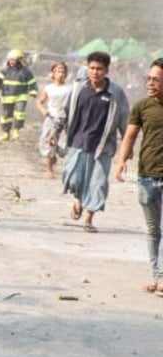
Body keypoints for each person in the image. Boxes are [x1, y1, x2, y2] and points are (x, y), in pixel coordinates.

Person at [51, 51, 129, 233]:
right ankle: (78, 199)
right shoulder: (78, 89)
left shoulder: (115, 94)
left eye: (99, 69)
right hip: (77, 141)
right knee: (74, 179)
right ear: (87, 68)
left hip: (102, 146)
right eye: (92, 68)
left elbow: (124, 120)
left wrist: (127, 146)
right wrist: (55, 131)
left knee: (98, 184)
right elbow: (64, 112)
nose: (95, 72)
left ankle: (88, 218)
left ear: (107, 70)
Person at [115, 58, 163, 294]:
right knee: (153, 229)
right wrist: (122, 161)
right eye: (149, 78)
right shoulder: (142, 106)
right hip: (147, 175)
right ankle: (157, 276)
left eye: (156, 79)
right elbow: (130, 136)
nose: (150, 83)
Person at [0, 49, 37, 141]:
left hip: (21, 96)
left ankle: (16, 131)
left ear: (19, 60)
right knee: (6, 115)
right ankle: (6, 133)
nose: (11, 62)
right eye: (10, 59)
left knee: (19, 114)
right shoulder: (4, 70)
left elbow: (32, 82)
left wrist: (33, 92)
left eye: (13, 59)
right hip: (7, 96)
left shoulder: (26, 71)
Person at [37, 62, 72, 178]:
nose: (61, 74)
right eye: (58, 71)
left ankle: (56, 157)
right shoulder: (49, 88)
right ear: (53, 73)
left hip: (65, 119)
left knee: (64, 145)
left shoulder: (70, 89)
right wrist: (43, 110)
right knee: (49, 142)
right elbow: (39, 101)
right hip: (51, 118)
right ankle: (49, 170)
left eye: (63, 72)